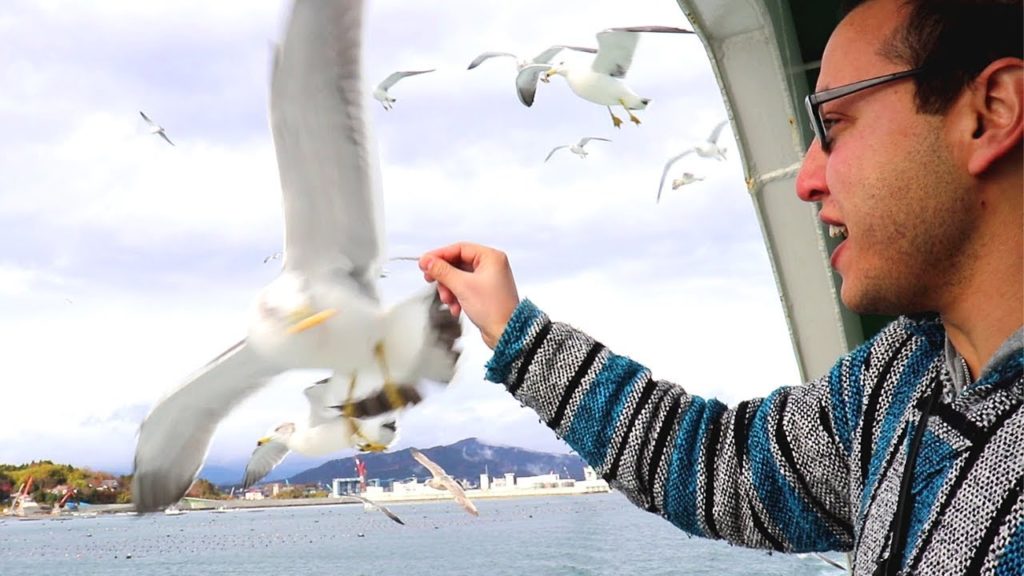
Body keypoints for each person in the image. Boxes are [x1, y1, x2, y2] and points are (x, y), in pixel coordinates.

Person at [417, 0, 1023, 574]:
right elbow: (718, 466)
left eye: (833, 124)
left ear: (990, 112)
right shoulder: (902, 376)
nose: (806, 178)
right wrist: (516, 331)